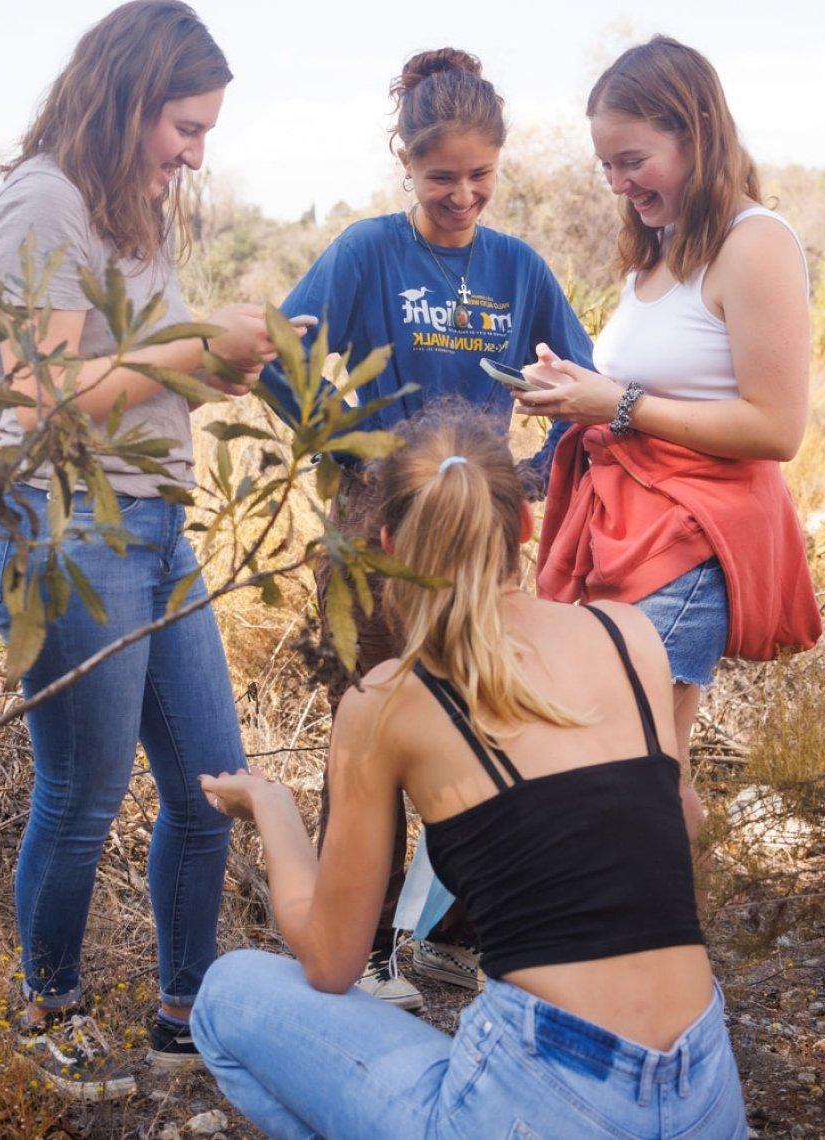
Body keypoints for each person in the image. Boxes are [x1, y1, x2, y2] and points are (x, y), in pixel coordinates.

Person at [190, 412, 748, 1139]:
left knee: (227, 993)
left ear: (387, 547)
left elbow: (330, 962)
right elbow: (683, 821)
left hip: (550, 1096)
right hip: (705, 1082)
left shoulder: (388, 700)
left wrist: (270, 806)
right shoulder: (627, 634)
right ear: (521, 528)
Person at [0, 1, 300, 1100]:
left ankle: (181, 1013)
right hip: (68, 532)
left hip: (155, 526)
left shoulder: (132, 206)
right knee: (83, 793)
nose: (195, 154)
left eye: (205, 132)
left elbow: (136, 370)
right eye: (184, 128)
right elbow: (45, 401)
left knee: (212, 784)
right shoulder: (41, 208)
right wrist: (191, 344)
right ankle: (46, 1015)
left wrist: (214, 364)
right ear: (124, 98)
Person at [258, 47, 596, 1010]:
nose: (463, 196)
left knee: (492, 727)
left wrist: (531, 472)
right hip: (375, 542)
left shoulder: (517, 267)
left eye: (481, 176)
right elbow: (284, 351)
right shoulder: (367, 253)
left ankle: (459, 940)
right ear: (405, 163)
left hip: (482, 547)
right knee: (369, 739)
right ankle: (360, 953)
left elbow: (580, 384)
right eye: (442, 177)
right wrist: (337, 442)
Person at [519, 36, 822, 786]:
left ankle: (667, 905)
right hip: (624, 529)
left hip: (689, 540)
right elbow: (655, 389)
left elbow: (776, 428)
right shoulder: (659, 247)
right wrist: (575, 388)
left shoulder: (756, 245)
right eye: (607, 166)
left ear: (696, 134)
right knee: (627, 761)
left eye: (634, 161)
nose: (619, 183)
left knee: (636, 765)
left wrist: (614, 402)